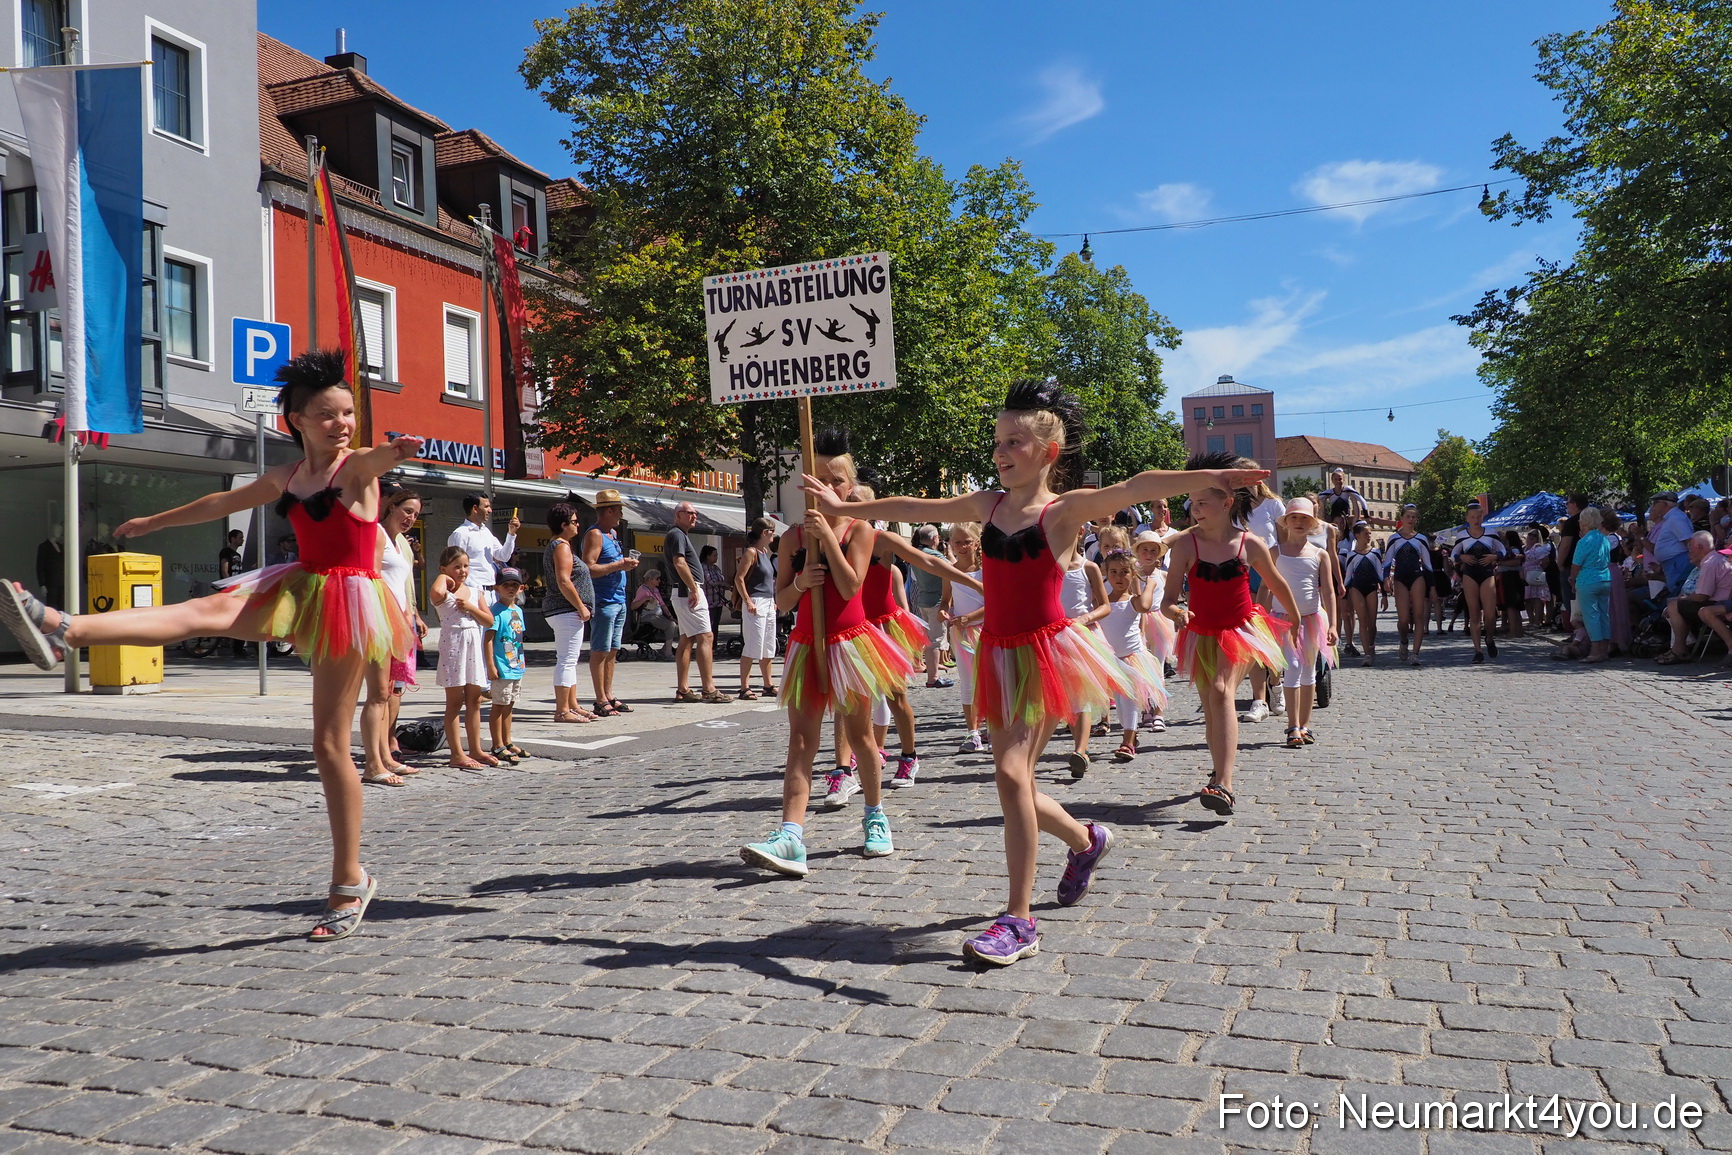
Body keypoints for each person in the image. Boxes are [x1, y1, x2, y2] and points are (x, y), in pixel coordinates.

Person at [804, 382, 1262, 966]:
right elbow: (915, 510)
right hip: (998, 652)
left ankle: (1019, 920)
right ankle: (1085, 839)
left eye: (1015, 441)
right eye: (998, 440)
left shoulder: (1063, 511)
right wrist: (844, 509)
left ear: (1048, 451)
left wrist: (1206, 481)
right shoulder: (985, 505)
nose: (1001, 451)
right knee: (1013, 781)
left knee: (1009, 771)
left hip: (1046, 656)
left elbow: (1136, 486)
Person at [0, 349, 418, 941]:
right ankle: (65, 627)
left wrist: (397, 452)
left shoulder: (356, 471)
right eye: (328, 415)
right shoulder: (288, 477)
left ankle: (350, 880)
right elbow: (220, 503)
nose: (342, 424)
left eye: (348, 413)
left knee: (329, 745)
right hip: (298, 586)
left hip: (348, 604)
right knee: (203, 611)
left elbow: (374, 458)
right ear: (296, 420)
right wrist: (154, 523)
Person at [739, 429, 911, 879]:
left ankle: (875, 815)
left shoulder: (861, 530)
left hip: (850, 645)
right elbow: (780, 603)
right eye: (818, 479)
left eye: (836, 480)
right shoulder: (793, 537)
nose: (827, 488)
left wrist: (828, 540)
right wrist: (800, 582)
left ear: (849, 486)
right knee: (801, 742)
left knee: (860, 738)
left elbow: (853, 584)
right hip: (807, 646)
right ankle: (790, 836)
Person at [1161, 453, 1299, 819]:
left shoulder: (1249, 544)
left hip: (1240, 631)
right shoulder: (1185, 547)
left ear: (1226, 503)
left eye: (1203, 502)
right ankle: (1218, 769)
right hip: (1200, 633)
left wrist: (1296, 619)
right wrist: (1177, 612)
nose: (1195, 509)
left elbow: (1276, 582)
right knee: (1211, 704)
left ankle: (1225, 783)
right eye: (1192, 503)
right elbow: (1167, 600)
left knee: (1222, 691)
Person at [367, 488, 425, 781]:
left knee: (390, 692)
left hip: (399, 621)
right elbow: (373, 578)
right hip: (381, 621)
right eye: (407, 511)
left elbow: (401, 583)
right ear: (391, 506)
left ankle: (385, 756)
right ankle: (373, 761)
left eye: (415, 514)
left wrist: (411, 613)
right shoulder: (376, 534)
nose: (411, 518)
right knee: (378, 694)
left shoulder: (399, 541)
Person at [1269, 499, 1336, 748]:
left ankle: (1305, 725)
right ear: (1286, 522)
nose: (1299, 522)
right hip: (1283, 620)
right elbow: (1267, 587)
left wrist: (1333, 624)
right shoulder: (1275, 552)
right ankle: (1292, 725)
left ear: (1312, 524)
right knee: (1294, 665)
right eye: (1294, 518)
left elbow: (1328, 592)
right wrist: (1263, 619)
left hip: (1311, 619)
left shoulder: (1320, 554)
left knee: (1309, 670)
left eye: (1304, 519)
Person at [1098, 551, 1166, 762]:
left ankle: (1128, 740)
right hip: (1110, 660)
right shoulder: (1101, 603)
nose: (1119, 577)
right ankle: (1131, 734)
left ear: (1133, 574)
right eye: (1114, 572)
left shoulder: (1133, 601)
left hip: (1131, 658)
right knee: (1118, 703)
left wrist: (1150, 585)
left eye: (1125, 572)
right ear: (1106, 574)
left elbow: (1145, 606)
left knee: (1129, 700)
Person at [432, 546, 496, 770]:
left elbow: (489, 621)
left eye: (465, 566)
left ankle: (476, 749)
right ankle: (456, 753)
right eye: (456, 567)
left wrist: (470, 607)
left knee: (474, 700)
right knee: (454, 702)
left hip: (472, 647)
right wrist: (443, 577)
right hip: (454, 645)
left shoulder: (474, 591)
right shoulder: (444, 591)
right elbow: (437, 593)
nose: (462, 571)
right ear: (445, 569)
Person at [580, 490, 640, 716]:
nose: (621, 515)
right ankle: (600, 699)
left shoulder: (612, 534)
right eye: (619, 510)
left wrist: (623, 565)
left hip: (618, 599)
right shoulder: (595, 534)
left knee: (613, 650)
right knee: (600, 650)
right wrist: (618, 566)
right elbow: (588, 568)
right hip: (604, 601)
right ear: (609, 510)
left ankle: (609, 694)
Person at [666, 502, 727, 703]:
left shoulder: (680, 534)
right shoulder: (676, 534)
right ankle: (708, 689)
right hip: (687, 592)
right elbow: (679, 562)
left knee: (687, 639)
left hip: (684, 591)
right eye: (690, 513)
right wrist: (693, 588)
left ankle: (683, 689)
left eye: (695, 513)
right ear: (678, 515)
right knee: (706, 636)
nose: (694, 516)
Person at [543, 503, 598, 724]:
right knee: (566, 660)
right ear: (563, 525)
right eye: (574, 522)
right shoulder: (561, 546)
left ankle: (572, 705)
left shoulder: (560, 545)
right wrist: (580, 606)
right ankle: (562, 710)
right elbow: (564, 580)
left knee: (570, 660)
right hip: (566, 610)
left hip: (564, 610)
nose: (578, 525)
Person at [941, 522, 988, 753]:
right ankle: (973, 732)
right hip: (961, 633)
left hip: (987, 630)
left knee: (990, 680)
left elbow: (995, 602)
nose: (961, 546)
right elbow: (945, 599)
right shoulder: (950, 570)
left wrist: (970, 617)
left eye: (966, 541)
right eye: (957, 542)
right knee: (968, 683)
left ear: (976, 543)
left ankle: (993, 725)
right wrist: (944, 610)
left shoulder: (986, 570)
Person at [1657, 532, 1732, 665]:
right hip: (1720, 602)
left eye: (1690, 546)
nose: (1689, 550)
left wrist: (1684, 599)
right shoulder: (1713, 560)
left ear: (1699, 547)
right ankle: (1679, 648)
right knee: (1676, 604)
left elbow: (1702, 596)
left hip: (1719, 603)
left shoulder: (1709, 563)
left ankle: (1679, 649)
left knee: (1674, 605)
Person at [1450, 501, 1505, 663]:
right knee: (1474, 614)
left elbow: (1502, 550)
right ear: (1467, 518)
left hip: (1487, 573)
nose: (1476, 520)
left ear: (1483, 517)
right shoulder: (1462, 535)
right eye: (1472, 517)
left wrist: (1495, 557)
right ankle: (1478, 650)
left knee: (1489, 614)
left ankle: (1489, 637)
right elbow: (1453, 554)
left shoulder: (1491, 532)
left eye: (1478, 517)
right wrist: (1462, 557)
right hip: (1470, 574)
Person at [486, 568, 529, 762]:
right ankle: (497, 745)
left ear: (521, 588)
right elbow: (488, 639)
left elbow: (518, 637)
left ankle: (507, 740)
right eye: (506, 585)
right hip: (502, 666)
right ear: (497, 588)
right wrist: (490, 665)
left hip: (516, 665)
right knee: (499, 705)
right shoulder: (495, 611)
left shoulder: (517, 610)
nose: (510, 588)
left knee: (510, 704)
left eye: (514, 585)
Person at [732, 518, 779, 699]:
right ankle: (744, 687)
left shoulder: (764, 552)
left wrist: (773, 600)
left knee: (768, 645)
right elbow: (739, 578)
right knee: (753, 645)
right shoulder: (751, 553)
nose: (774, 535)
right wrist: (748, 601)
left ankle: (768, 685)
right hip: (756, 602)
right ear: (765, 533)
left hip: (767, 602)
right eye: (772, 531)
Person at [1381, 505, 1431, 665]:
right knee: (1403, 619)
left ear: (1417, 520)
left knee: (1418, 615)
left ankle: (1415, 653)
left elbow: (1428, 565)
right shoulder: (1394, 538)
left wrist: (1433, 587)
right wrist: (1386, 579)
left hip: (1417, 576)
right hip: (1400, 577)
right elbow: (1387, 561)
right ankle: (1403, 640)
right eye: (1408, 516)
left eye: (1413, 517)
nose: (1410, 519)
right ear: (1401, 519)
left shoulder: (1421, 539)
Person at [447, 494, 519, 593]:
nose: (490, 510)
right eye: (486, 506)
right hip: (473, 591)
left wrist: (511, 533)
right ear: (475, 509)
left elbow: (503, 556)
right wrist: (468, 590)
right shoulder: (461, 534)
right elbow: (454, 567)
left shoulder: (486, 532)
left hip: (491, 591)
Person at [1569, 507, 1614, 663]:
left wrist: (1572, 578)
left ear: (1584, 522)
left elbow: (1576, 564)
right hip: (1605, 579)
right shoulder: (1604, 539)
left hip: (1588, 580)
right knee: (1604, 615)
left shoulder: (1584, 541)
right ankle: (1605, 650)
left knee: (1591, 616)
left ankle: (1595, 651)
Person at [911, 525, 954, 687]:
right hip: (937, 601)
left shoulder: (915, 554)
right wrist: (949, 554)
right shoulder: (934, 555)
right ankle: (933, 678)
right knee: (935, 641)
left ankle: (932, 675)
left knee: (929, 640)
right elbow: (954, 568)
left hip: (923, 600)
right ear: (935, 538)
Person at [1341, 522, 1383, 666]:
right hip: (1356, 587)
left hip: (1371, 587)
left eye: (1370, 533)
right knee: (1363, 620)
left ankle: (1371, 646)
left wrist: (1383, 594)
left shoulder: (1375, 553)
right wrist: (1346, 598)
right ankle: (1367, 654)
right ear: (1357, 535)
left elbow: (1380, 574)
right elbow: (1348, 577)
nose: (1369, 536)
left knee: (1371, 623)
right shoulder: (1351, 555)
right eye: (1366, 533)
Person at [1647, 492, 1696, 595]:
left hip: (1678, 562)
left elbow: (1688, 541)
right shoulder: (1671, 518)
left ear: (1665, 504)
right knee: (1675, 591)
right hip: (1673, 563)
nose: (1653, 506)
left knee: (1678, 592)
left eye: (1655, 503)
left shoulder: (1676, 518)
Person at [629, 568, 679, 659]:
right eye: (657, 578)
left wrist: (670, 616)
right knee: (670, 625)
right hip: (647, 616)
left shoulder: (655, 590)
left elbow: (663, 605)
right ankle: (667, 652)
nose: (659, 581)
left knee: (675, 626)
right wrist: (644, 599)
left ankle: (665, 649)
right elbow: (633, 606)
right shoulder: (643, 590)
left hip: (657, 615)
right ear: (650, 579)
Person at [218, 529, 249, 658]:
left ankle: (236, 646)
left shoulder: (238, 555)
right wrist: (229, 586)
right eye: (240, 537)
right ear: (233, 538)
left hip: (237, 588)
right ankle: (233, 645)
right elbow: (225, 570)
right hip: (229, 588)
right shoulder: (226, 552)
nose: (242, 539)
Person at [1522, 528, 1554, 633]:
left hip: (1535, 574)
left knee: (1537, 599)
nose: (1531, 537)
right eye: (1530, 534)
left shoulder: (1539, 548)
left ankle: (1537, 622)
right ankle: (1531, 621)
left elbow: (1546, 561)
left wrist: (1538, 569)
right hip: (1525, 575)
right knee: (1527, 599)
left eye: (1534, 535)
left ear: (1538, 537)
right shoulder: (1524, 548)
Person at [1498, 529, 1528, 639]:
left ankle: (1514, 631)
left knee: (1511, 605)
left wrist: (1500, 562)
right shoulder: (1515, 549)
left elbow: (1515, 561)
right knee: (1515, 606)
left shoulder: (1514, 550)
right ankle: (1518, 631)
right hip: (1513, 577)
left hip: (1511, 577)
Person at [700, 544, 728, 636]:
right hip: (709, 602)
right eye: (714, 555)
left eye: (717, 555)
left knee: (715, 626)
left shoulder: (716, 568)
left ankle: (714, 646)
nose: (716, 558)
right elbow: (710, 581)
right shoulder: (703, 567)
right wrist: (722, 584)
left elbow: (721, 579)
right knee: (709, 626)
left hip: (718, 601)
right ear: (708, 556)